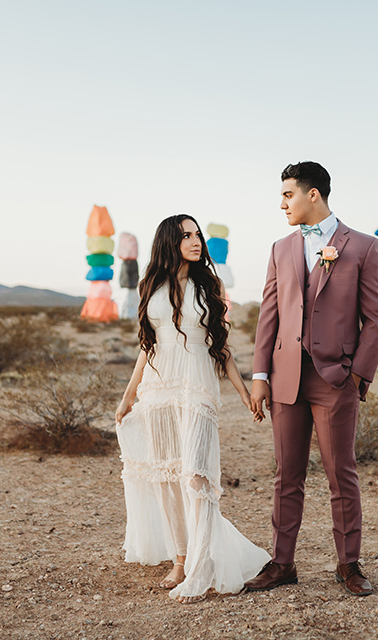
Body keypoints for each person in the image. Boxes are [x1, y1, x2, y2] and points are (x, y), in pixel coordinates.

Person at [245, 162, 378, 596]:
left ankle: (349, 565)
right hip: (286, 378)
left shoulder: (362, 247)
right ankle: (282, 563)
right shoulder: (279, 247)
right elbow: (268, 316)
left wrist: (356, 377)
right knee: (286, 475)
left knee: (340, 474)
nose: (282, 204)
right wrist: (259, 375)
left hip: (335, 379)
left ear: (313, 195)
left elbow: (376, 321)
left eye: (288, 195)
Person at [115, 214, 270, 604]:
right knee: (167, 479)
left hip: (198, 388)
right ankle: (181, 559)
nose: (196, 240)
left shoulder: (209, 286)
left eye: (197, 234)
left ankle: (202, 566)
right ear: (170, 241)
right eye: (186, 235)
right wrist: (129, 395)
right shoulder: (152, 285)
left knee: (196, 476)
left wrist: (244, 393)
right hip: (157, 389)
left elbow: (222, 348)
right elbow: (147, 346)